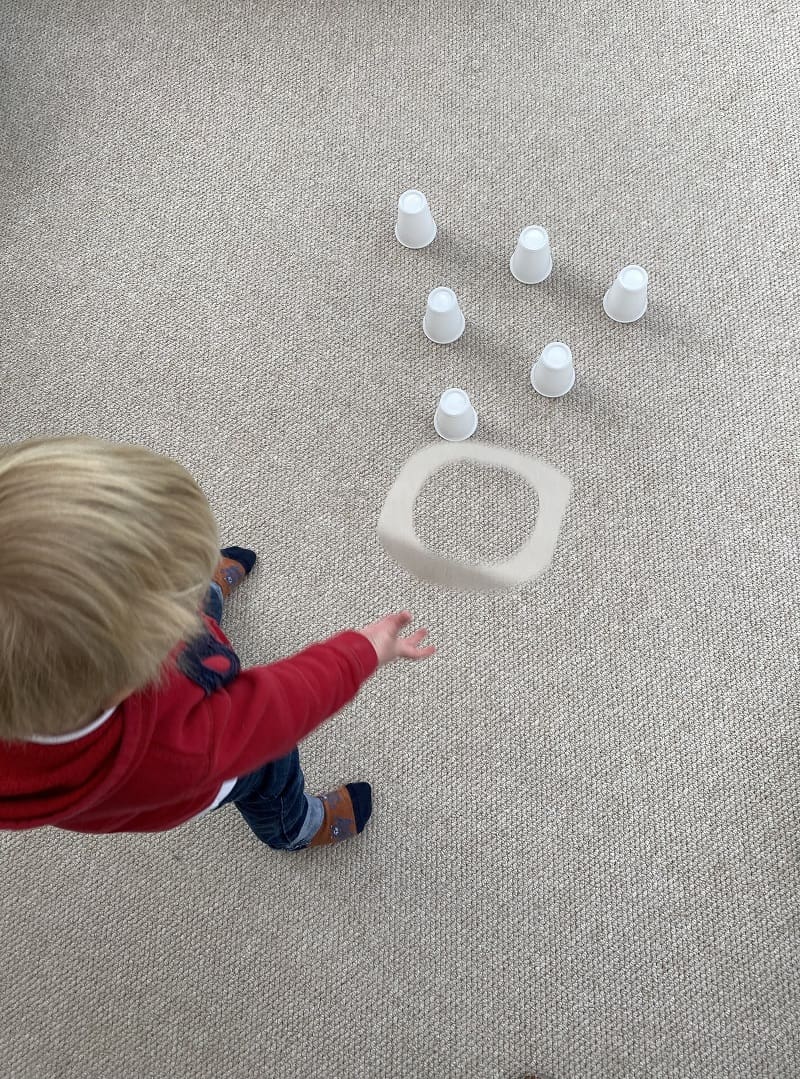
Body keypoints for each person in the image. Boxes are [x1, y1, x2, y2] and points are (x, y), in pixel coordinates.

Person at [0, 435, 435, 850]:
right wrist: (360, 653)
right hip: (209, 773)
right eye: (177, 594)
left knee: (191, 615)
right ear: (134, 673)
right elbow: (278, 706)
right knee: (270, 767)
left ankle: (197, 600)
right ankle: (294, 828)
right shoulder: (181, 748)